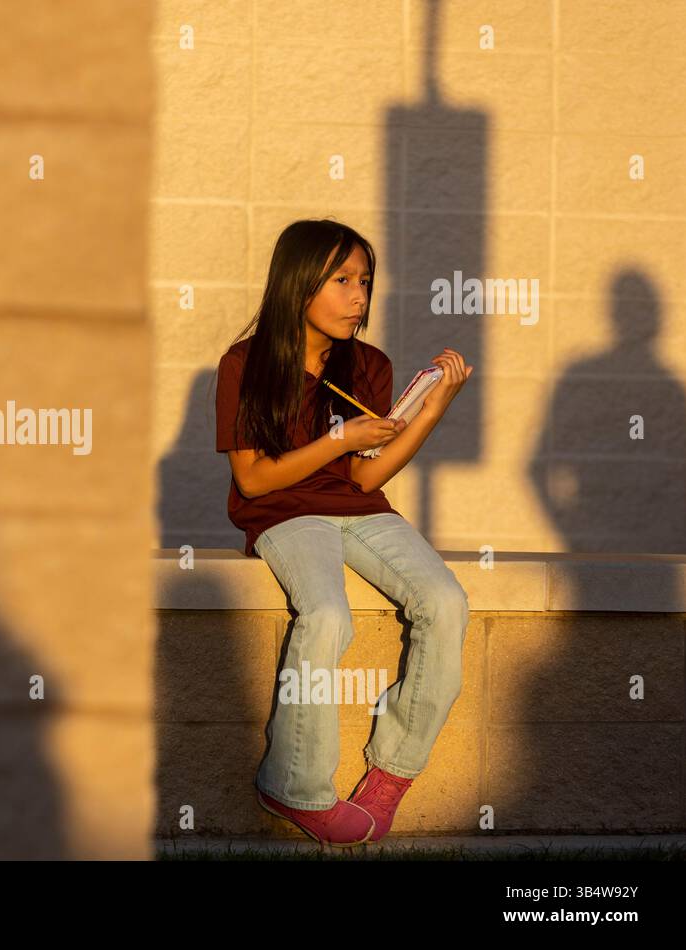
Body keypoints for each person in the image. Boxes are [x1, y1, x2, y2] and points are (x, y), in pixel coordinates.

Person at [213, 218, 473, 848]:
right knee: (328, 615)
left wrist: (430, 411)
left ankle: (392, 772)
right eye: (342, 280)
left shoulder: (368, 365)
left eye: (365, 281)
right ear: (299, 284)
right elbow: (253, 480)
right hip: (283, 513)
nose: (359, 296)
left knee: (445, 601)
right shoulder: (245, 363)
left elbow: (365, 477)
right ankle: (293, 785)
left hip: (359, 508)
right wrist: (337, 438)